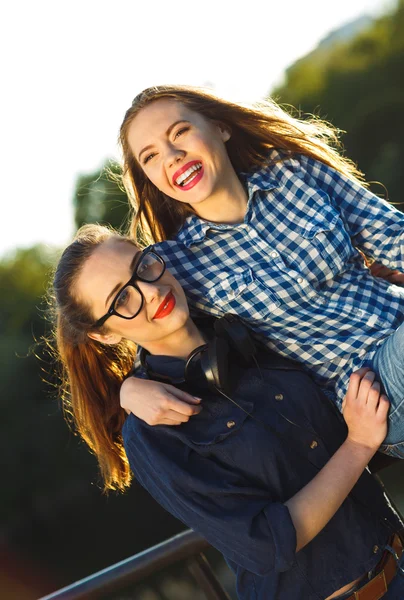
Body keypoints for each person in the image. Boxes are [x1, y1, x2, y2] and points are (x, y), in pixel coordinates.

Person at [51, 223, 404, 600]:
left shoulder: (249, 329)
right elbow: (268, 544)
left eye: (143, 266)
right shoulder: (150, 435)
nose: (152, 292)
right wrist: (358, 446)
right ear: (104, 334)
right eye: (123, 299)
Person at [117, 84, 404, 457]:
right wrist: (127, 390)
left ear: (220, 128)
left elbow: (391, 236)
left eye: (180, 132)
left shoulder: (293, 172)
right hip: (374, 394)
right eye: (151, 156)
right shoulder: (172, 265)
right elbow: (148, 341)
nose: (171, 156)